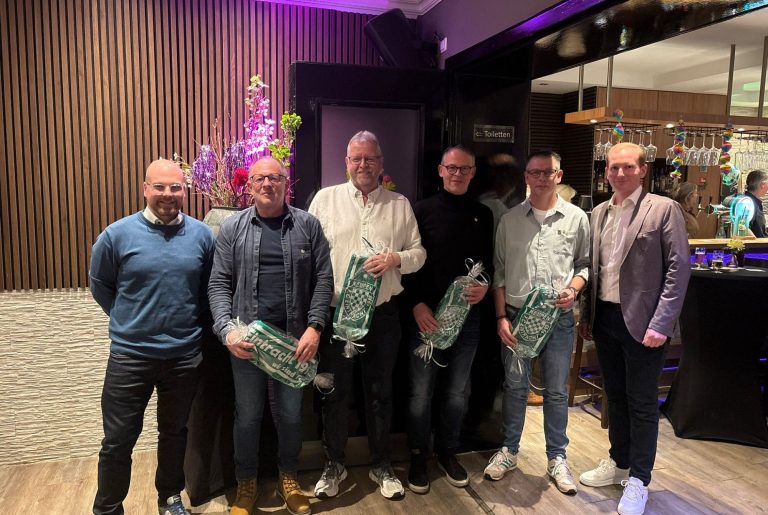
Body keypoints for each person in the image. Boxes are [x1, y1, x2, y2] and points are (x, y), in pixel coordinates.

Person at [89, 159, 216, 515]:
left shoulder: (202, 236)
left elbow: (208, 291)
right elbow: (101, 286)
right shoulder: (116, 235)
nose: (167, 194)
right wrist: (130, 321)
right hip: (130, 357)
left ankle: (170, 498)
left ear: (185, 191)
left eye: (175, 187)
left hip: (183, 356)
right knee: (118, 440)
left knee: (174, 433)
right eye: (159, 186)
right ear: (145, 188)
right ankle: (108, 508)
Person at [208, 156, 333, 515]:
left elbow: (323, 279)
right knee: (248, 415)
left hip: (295, 343)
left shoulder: (308, 225)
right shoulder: (232, 228)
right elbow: (218, 283)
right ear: (249, 186)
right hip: (248, 343)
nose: (267, 184)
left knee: (291, 416)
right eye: (260, 178)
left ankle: (288, 478)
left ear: (285, 183)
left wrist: (315, 327)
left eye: (275, 178)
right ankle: (246, 483)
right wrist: (227, 332)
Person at [308, 130, 426, 500]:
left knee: (380, 393)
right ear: (346, 163)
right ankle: (334, 464)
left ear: (381, 163)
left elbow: (419, 254)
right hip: (336, 315)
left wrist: (396, 259)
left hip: (383, 314)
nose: (363, 164)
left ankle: (381, 464)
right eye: (356, 158)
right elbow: (308, 253)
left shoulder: (399, 204)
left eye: (370, 158)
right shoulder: (325, 199)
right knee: (334, 393)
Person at [578, 143, 690, 515]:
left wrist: (662, 323)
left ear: (643, 169)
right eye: (614, 167)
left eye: (628, 167)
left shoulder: (663, 208)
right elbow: (595, 269)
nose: (620, 173)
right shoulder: (599, 213)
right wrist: (587, 316)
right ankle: (619, 461)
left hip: (645, 324)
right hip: (606, 319)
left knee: (641, 402)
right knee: (616, 396)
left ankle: (640, 479)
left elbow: (678, 270)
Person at [484, 150, 589, 496]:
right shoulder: (510, 220)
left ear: (559, 175)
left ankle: (557, 457)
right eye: (535, 173)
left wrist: (574, 289)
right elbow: (499, 272)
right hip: (516, 318)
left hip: (558, 319)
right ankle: (509, 451)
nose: (541, 178)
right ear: (526, 177)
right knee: (515, 387)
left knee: (557, 391)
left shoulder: (576, 218)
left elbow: (584, 265)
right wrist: (500, 316)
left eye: (548, 172)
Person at [402, 146, 494, 494]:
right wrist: (416, 305)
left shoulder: (483, 214)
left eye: (464, 168)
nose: (457, 174)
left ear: (473, 173)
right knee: (420, 393)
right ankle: (417, 456)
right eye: (451, 168)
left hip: (467, 319)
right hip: (425, 318)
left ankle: (447, 452)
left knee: (457, 392)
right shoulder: (420, 210)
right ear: (440, 170)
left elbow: (489, 263)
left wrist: (485, 287)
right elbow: (409, 263)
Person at [745, 169, 768, 237]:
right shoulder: (748, 203)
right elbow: (743, 227)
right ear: (762, 185)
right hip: (758, 243)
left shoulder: (753, 202)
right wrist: (757, 242)